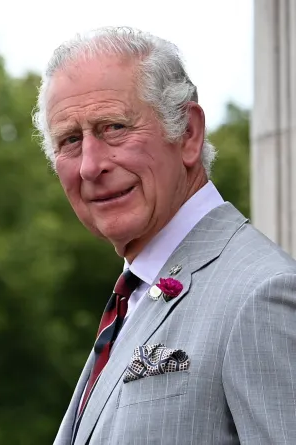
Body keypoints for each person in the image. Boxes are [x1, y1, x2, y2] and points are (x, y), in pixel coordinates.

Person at [32, 27, 296, 445]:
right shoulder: (136, 295)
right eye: (70, 140)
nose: (89, 166)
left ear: (188, 134)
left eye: (113, 127)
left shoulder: (261, 295)